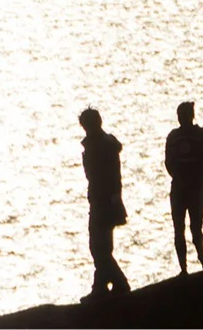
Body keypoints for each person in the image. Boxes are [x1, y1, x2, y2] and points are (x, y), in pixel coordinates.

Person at [78, 108, 130, 302]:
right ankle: (101, 286)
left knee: (98, 247)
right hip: (106, 198)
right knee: (102, 247)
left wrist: (111, 197)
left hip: (103, 200)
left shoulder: (98, 146)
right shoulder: (104, 144)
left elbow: (101, 176)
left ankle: (117, 283)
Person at [165, 101, 203, 275]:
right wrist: (180, 177)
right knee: (178, 228)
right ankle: (183, 268)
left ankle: (202, 257)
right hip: (179, 189)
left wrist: (196, 173)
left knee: (196, 227)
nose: (182, 119)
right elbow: (169, 163)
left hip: (195, 188)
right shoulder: (172, 137)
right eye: (180, 115)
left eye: (185, 115)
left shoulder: (202, 135)